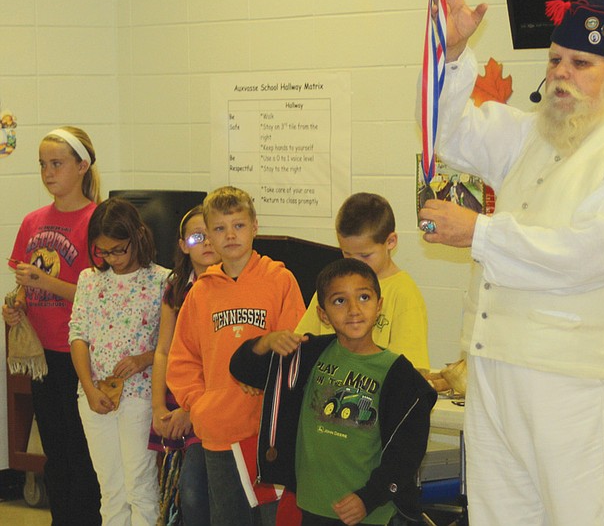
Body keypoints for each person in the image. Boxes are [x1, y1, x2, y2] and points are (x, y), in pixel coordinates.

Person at [417, 0, 604, 526]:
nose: (562, 73)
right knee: (498, 517)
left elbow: (587, 256)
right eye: (557, 59)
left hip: (582, 384)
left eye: (582, 63)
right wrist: (457, 51)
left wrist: (480, 233)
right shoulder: (534, 134)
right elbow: (446, 134)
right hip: (498, 372)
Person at [230, 258, 437, 526]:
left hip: (367, 512)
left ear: (379, 306)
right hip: (312, 505)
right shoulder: (306, 355)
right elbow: (242, 369)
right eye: (340, 301)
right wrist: (265, 342)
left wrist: (369, 497)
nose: (353, 310)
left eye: (364, 297)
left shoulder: (400, 375)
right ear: (323, 314)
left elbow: (407, 453)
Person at [167, 185, 306, 526]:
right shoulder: (200, 292)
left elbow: (295, 348)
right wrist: (200, 404)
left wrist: (270, 390)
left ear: (255, 226)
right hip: (220, 433)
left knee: (272, 520)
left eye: (239, 225)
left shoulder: (280, 280)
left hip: (266, 433)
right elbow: (182, 358)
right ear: (209, 237)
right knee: (228, 519)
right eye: (219, 228)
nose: (230, 235)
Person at [2, 127, 102, 525]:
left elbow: (101, 295)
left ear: (82, 166)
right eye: (42, 164)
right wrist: (16, 309)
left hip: (79, 354)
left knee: (82, 452)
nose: (47, 172)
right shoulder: (32, 221)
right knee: (56, 454)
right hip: (42, 355)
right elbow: (23, 287)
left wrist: (45, 283)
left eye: (56, 164)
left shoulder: (97, 221)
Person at [69, 197, 169, 525]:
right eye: (103, 252)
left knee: (139, 485)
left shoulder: (162, 281)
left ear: (138, 237)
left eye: (118, 250)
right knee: (110, 488)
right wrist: (87, 386)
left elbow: (170, 343)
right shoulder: (89, 280)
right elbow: (78, 336)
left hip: (139, 395)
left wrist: (142, 359)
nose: (111, 258)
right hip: (95, 395)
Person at [294, 192, 430, 370]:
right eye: (347, 254)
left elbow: (411, 371)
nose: (354, 263)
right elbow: (301, 345)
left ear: (390, 242)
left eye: (365, 255)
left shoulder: (404, 293)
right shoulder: (331, 285)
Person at [149, 205, 221, 526]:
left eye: (212, 234)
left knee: (197, 491)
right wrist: (157, 409)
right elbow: (164, 350)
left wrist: (191, 411)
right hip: (178, 399)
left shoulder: (232, 287)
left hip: (212, 404)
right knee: (181, 496)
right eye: (196, 236)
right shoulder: (176, 288)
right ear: (182, 245)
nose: (206, 243)